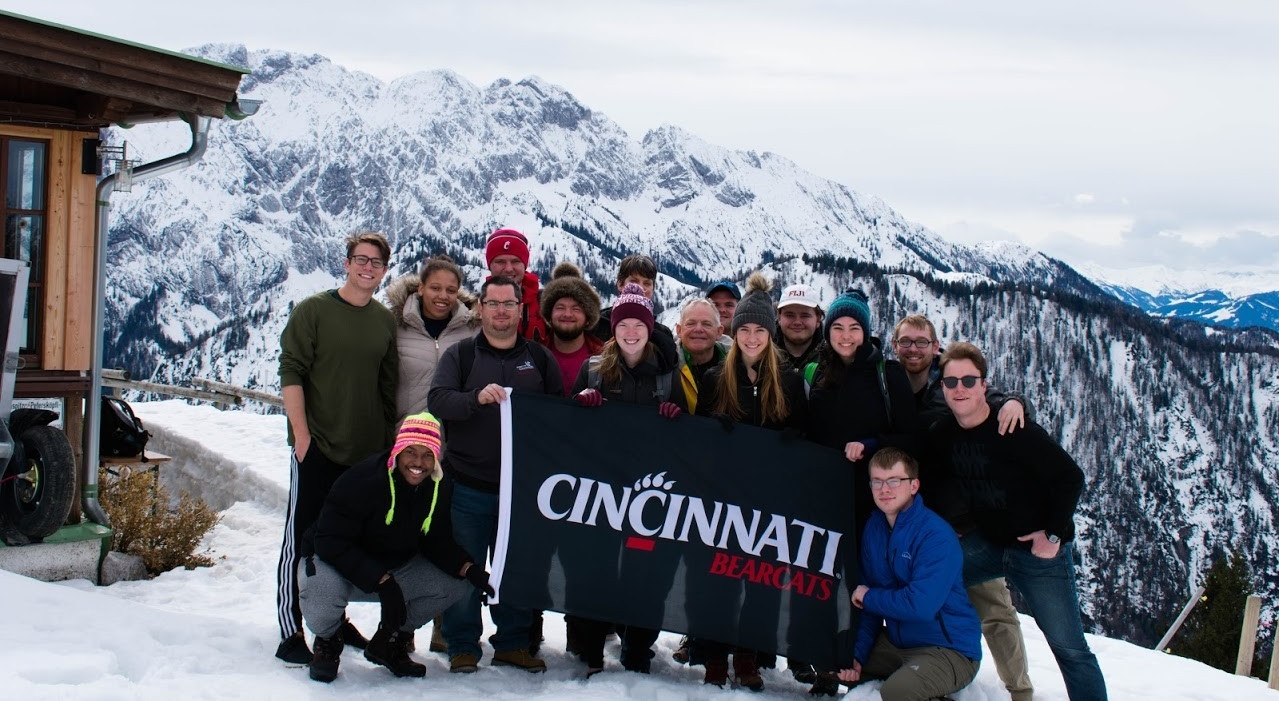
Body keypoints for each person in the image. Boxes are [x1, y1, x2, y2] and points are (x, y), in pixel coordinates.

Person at [930, 342, 1108, 701]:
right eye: (951, 382)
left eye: (969, 380)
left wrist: (1053, 535)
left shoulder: (1014, 428)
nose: (959, 389)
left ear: (984, 385)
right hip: (990, 543)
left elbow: (1070, 477)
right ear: (942, 388)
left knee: (1069, 647)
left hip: (1038, 550)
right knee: (932, 581)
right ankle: (937, 673)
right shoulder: (944, 435)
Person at [892, 313, 1035, 701]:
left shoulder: (952, 386)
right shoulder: (885, 385)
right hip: (908, 519)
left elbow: (993, 399)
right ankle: (929, 670)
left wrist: (1014, 401)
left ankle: (1020, 690)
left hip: (963, 521)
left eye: (922, 342)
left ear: (935, 348)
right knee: (920, 602)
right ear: (895, 346)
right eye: (906, 342)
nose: (913, 349)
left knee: (992, 606)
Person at [427, 275, 563, 674]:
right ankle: (462, 644)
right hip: (467, 482)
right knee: (464, 567)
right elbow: (437, 401)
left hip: (520, 490)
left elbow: (559, 416)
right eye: (493, 304)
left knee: (515, 568)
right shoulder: (461, 355)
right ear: (480, 308)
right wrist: (474, 398)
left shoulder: (538, 359)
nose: (501, 311)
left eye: (509, 304)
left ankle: (512, 644)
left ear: (521, 310)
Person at [274, 231, 398, 664]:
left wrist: (386, 450)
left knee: (346, 541)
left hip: (364, 457)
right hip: (319, 448)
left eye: (376, 263)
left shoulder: (383, 322)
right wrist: (302, 438)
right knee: (301, 538)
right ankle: (291, 631)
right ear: (347, 263)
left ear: (384, 270)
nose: (368, 268)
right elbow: (291, 373)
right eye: (360, 260)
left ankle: (334, 619)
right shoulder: (315, 312)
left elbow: (387, 391)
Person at [298, 413, 492, 682]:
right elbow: (329, 541)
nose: (418, 463)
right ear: (397, 451)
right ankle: (328, 641)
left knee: (455, 584)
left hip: (392, 567)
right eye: (411, 452)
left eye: (427, 455)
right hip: (336, 564)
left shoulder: (438, 486)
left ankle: (391, 640)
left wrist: (469, 569)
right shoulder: (362, 480)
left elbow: (435, 540)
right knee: (321, 601)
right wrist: (381, 581)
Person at [695, 272, 808, 690]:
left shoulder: (790, 382)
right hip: (725, 499)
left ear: (770, 332)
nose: (753, 337)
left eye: (760, 329)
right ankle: (714, 655)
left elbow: (806, 436)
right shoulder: (716, 380)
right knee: (719, 580)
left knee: (761, 582)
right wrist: (713, 429)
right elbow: (698, 443)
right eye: (745, 329)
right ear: (735, 332)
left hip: (770, 500)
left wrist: (794, 439)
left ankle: (748, 656)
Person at [568, 283, 687, 676]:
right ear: (613, 329)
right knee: (597, 567)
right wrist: (581, 405)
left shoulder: (669, 375)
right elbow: (565, 432)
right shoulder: (593, 369)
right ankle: (591, 647)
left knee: (645, 572)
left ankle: (638, 647)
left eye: (639, 324)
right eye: (624, 324)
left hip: (651, 496)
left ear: (649, 329)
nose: (631, 331)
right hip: (602, 493)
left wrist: (676, 417)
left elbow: (690, 438)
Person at [837, 448, 982, 700]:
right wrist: (857, 655)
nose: (885, 489)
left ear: (914, 485)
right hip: (897, 644)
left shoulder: (935, 535)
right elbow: (867, 604)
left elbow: (920, 605)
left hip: (949, 650)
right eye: (877, 482)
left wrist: (869, 596)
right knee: (837, 659)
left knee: (897, 692)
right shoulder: (875, 528)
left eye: (894, 481)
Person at [386, 254, 476, 420]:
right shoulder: (395, 326)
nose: (443, 296)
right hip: (409, 436)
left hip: (457, 437)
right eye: (435, 288)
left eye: (451, 290)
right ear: (421, 288)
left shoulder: (473, 330)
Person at [590, 253, 679, 367]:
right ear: (620, 285)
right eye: (634, 281)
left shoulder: (663, 335)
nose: (641, 288)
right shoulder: (598, 325)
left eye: (647, 283)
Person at [540, 261, 604, 396]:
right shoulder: (534, 357)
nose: (567, 314)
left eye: (576, 309)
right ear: (549, 316)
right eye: (560, 307)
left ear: (588, 318)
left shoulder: (605, 359)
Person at [485, 228, 547, 344]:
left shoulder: (545, 303)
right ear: (490, 266)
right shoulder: (476, 307)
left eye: (515, 261)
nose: (508, 269)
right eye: (500, 262)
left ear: (524, 265)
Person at [674, 297, 729, 415]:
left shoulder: (737, 365)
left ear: (719, 332)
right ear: (679, 330)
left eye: (707, 324)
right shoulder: (666, 365)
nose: (698, 329)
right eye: (691, 323)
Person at [776, 283, 824, 369]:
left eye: (805, 316)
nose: (797, 322)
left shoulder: (832, 360)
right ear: (779, 317)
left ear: (818, 319)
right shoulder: (760, 355)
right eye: (790, 315)